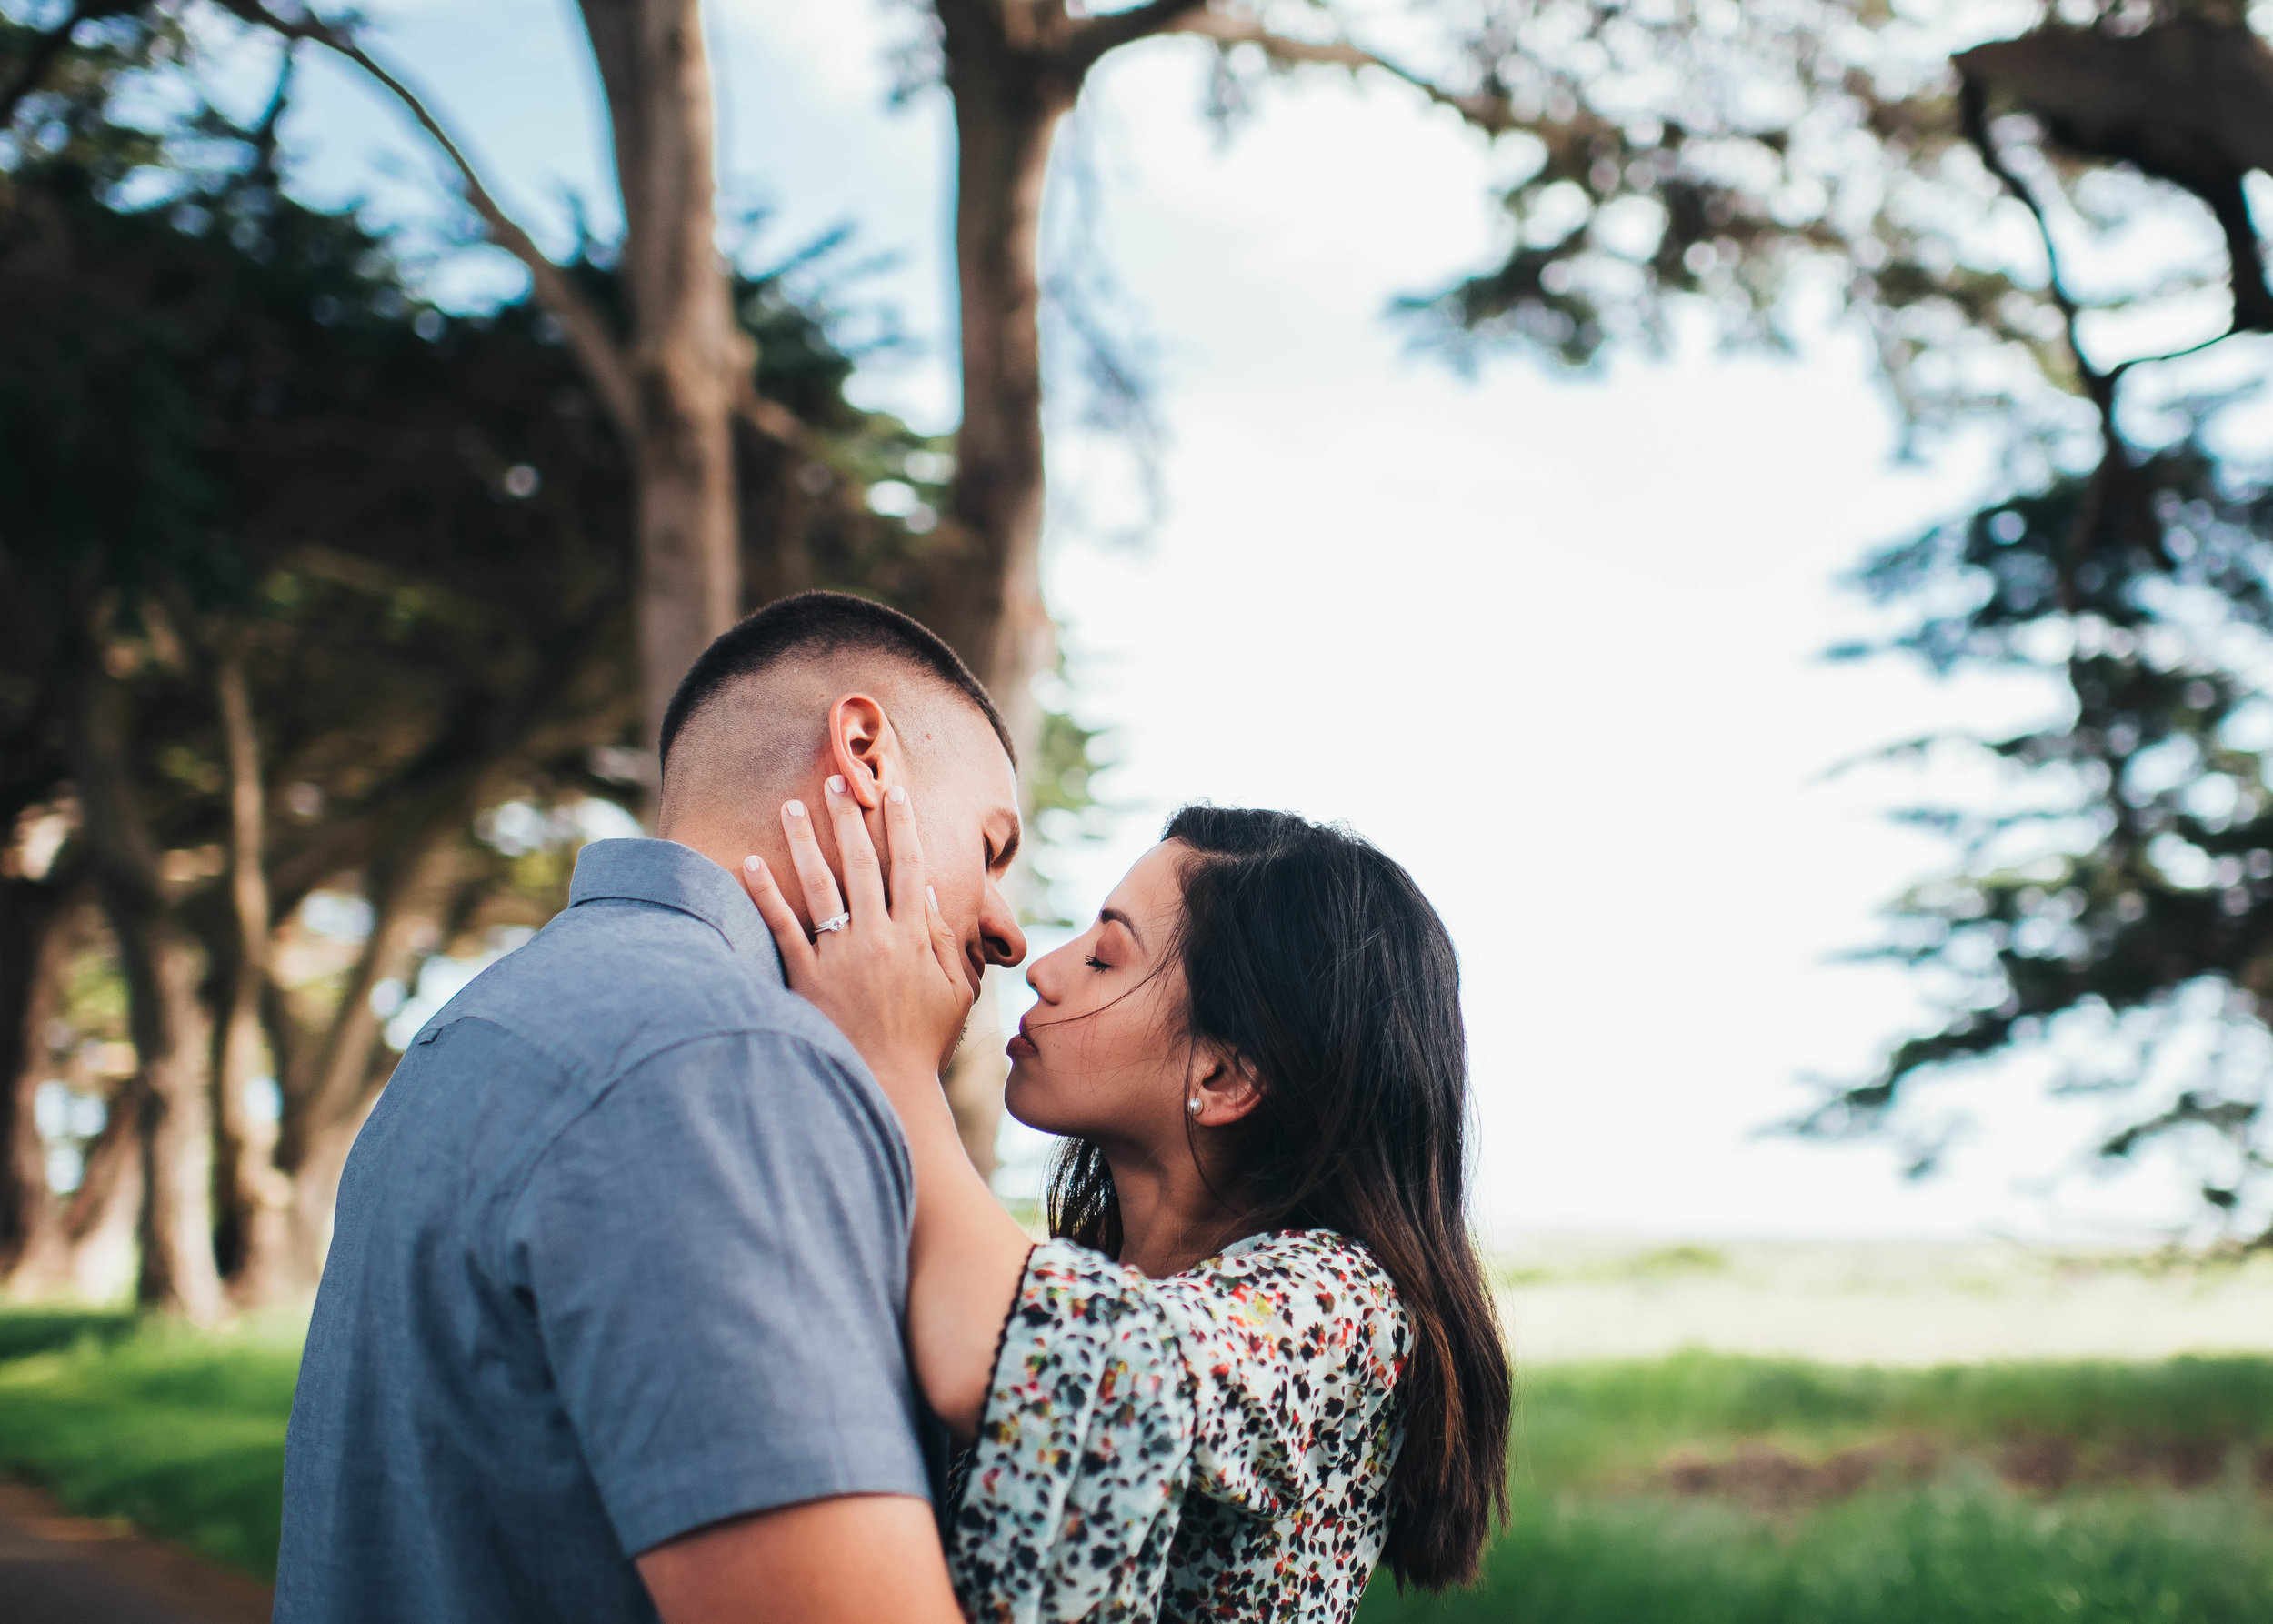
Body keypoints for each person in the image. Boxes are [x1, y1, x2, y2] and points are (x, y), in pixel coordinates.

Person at [274, 591, 1027, 1624]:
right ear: (862, 751)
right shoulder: (725, 1059)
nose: (1007, 927)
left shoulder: (482, 1023)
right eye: (989, 849)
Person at [741, 796, 1514, 1621]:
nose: (1042, 968)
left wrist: (892, 1059)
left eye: (1105, 959)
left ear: (1222, 1078)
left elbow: (1042, 1363)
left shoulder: (1344, 1307)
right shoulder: (1109, 1267)